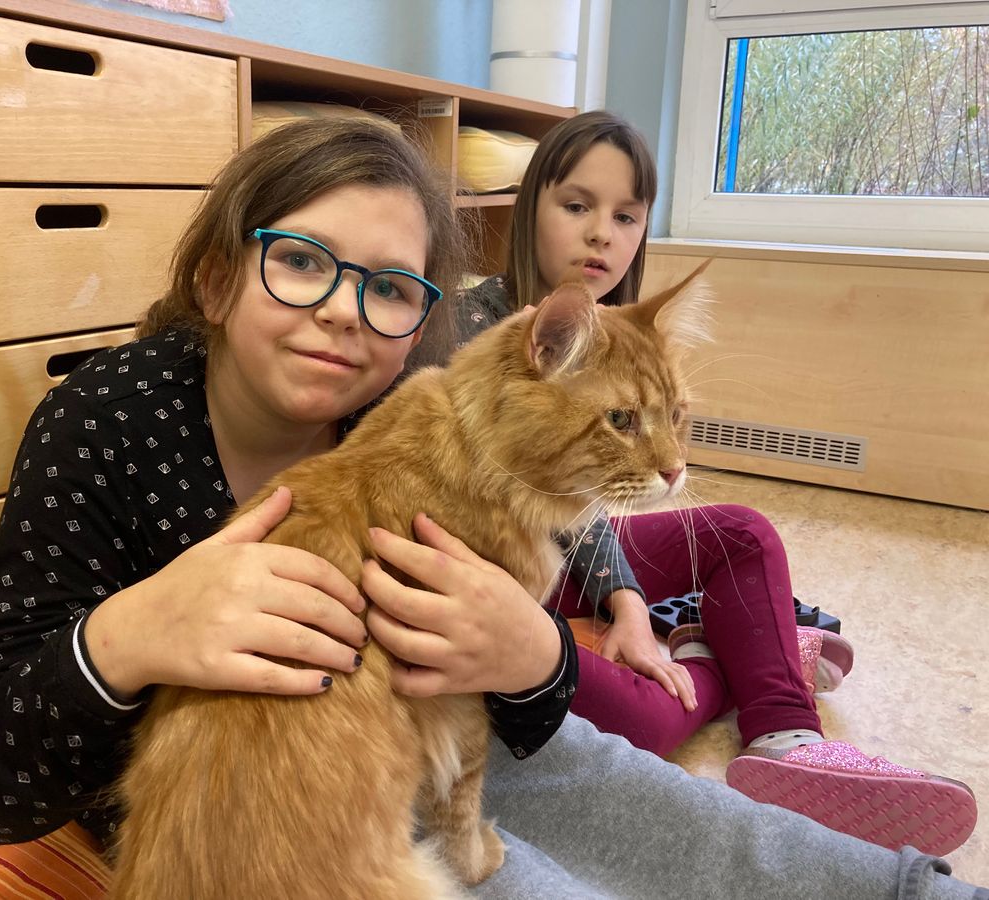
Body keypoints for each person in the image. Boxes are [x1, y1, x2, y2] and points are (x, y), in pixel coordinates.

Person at [0, 118, 986, 900]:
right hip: (263, 804)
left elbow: (524, 684)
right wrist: (129, 635)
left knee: (614, 778)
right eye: (300, 261)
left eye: (389, 287)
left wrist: (535, 653)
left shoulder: (401, 402)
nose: (345, 312)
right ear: (216, 277)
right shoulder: (108, 421)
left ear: (422, 314)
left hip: (430, 723)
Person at [411, 109, 979, 856]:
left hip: (572, 548)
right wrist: (626, 606)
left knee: (742, 529)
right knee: (647, 718)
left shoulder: (629, 330)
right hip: (489, 573)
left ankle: (788, 735)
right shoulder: (467, 326)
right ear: (528, 208)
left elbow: (592, 503)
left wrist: (628, 607)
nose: (601, 235)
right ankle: (736, 654)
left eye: (626, 216)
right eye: (577, 205)